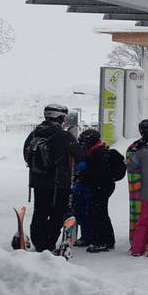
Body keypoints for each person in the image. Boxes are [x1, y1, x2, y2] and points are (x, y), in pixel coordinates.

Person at [23, 104, 85, 253]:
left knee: (40, 211)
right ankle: (48, 243)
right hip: (59, 184)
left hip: (38, 182)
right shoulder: (63, 136)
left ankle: (38, 240)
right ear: (60, 118)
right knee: (58, 213)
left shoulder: (34, 134)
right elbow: (80, 154)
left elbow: (26, 155)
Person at [74, 129, 126, 253]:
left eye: (84, 142)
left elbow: (98, 173)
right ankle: (94, 238)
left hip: (102, 187)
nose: (82, 145)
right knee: (92, 212)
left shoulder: (99, 153)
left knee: (98, 213)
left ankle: (104, 241)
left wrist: (84, 172)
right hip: (99, 186)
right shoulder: (96, 150)